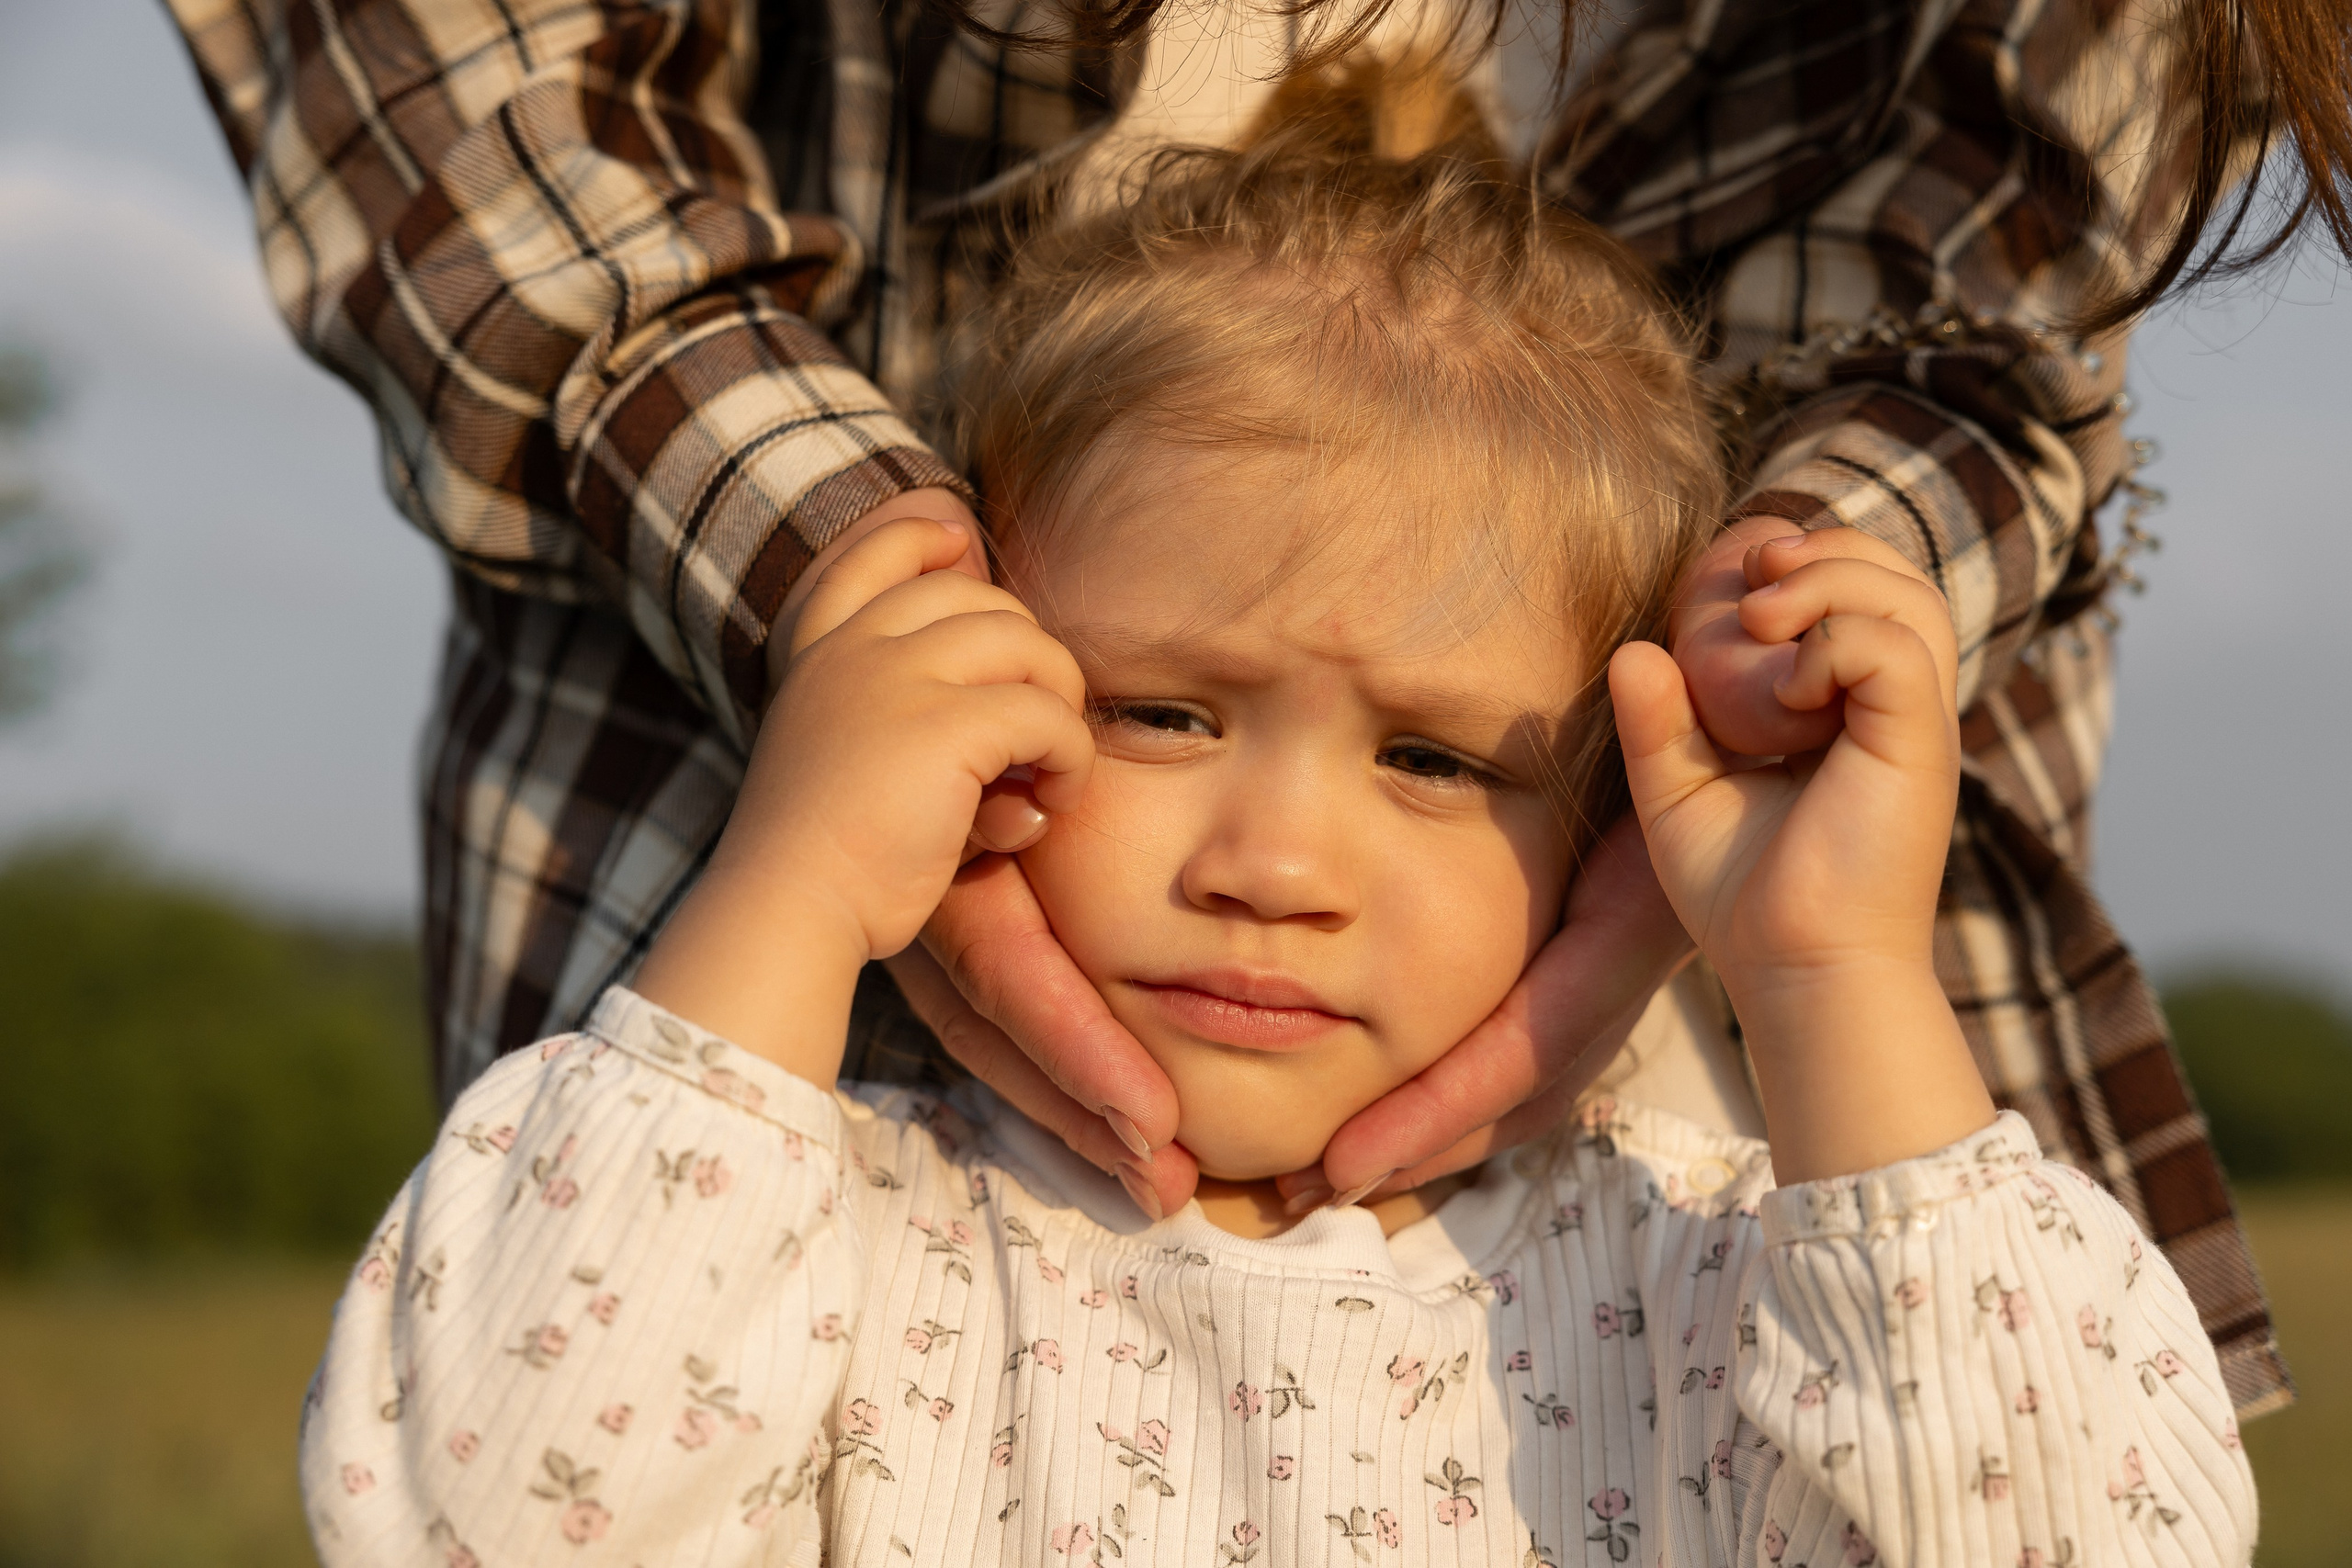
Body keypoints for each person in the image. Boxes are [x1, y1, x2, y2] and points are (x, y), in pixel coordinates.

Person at [163, 0, 2352, 1419]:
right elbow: (480, 1471)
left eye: (1431, 753)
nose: (1275, 865)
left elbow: (2070, 1499)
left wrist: (1822, 956)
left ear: (1601, 772)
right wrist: (817, 813)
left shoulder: (1696, 1273)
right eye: (1160, 713)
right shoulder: (798, 1238)